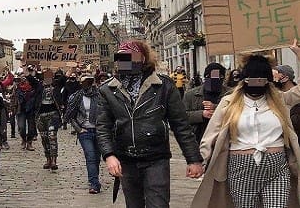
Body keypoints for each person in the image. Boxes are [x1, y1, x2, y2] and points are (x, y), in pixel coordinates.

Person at [97, 40, 204, 208]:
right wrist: (109, 155)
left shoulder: (163, 86)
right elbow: (102, 126)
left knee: (158, 205)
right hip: (127, 159)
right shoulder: (108, 90)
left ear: (143, 59)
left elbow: (181, 125)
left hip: (156, 158)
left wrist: (194, 159)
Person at [192, 53, 300, 208]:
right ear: (244, 80)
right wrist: (200, 161)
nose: (256, 85)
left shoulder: (279, 100)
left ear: (268, 82)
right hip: (241, 168)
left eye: (261, 81)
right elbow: (210, 136)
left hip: (277, 168)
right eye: (252, 81)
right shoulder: (229, 103)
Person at [65, 74, 101, 194]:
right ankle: (94, 184)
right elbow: (70, 115)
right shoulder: (76, 97)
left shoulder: (100, 96)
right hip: (85, 131)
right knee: (90, 156)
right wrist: (79, 129)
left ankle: (95, 178)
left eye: (90, 82)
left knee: (96, 158)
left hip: (99, 131)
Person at [184, 63, 226, 144]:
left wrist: (216, 107)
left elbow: (237, 112)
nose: (215, 80)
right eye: (211, 77)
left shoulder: (230, 93)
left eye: (219, 77)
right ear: (206, 77)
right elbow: (182, 116)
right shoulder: (191, 95)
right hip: (198, 138)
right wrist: (202, 114)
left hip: (222, 139)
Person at [36, 68, 62, 171]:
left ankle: (54, 159)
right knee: (44, 138)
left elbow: (65, 78)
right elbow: (29, 77)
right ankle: (48, 159)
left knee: (52, 136)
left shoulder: (56, 85)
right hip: (41, 115)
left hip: (53, 115)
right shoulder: (38, 86)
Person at [16, 66, 41, 151]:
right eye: (22, 77)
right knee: (21, 127)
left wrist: (31, 74)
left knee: (31, 128)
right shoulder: (17, 86)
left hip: (31, 109)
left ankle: (29, 142)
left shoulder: (34, 86)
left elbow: (37, 84)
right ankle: (23, 139)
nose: (23, 79)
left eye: (25, 77)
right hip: (21, 109)